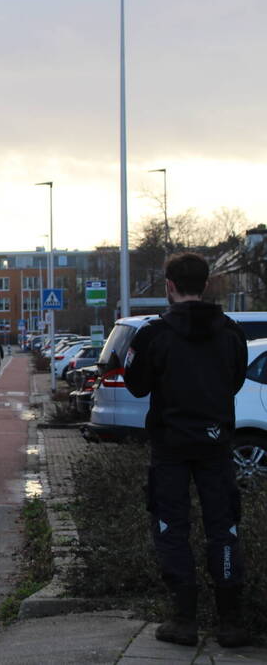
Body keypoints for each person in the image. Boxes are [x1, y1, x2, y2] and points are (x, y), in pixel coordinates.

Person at [124, 253, 249, 647]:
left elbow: (136, 385)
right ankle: (230, 621)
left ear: (169, 286)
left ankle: (184, 618)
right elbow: (235, 381)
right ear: (207, 284)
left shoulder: (152, 334)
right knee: (224, 528)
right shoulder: (231, 332)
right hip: (216, 443)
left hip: (171, 446)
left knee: (171, 528)